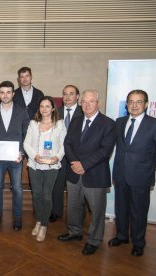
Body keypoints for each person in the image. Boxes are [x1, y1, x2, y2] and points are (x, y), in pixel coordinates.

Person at [109, 89, 156, 257]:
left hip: (141, 176)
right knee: (121, 208)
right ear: (126, 104)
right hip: (120, 174)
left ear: (146, 104)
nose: (134, 105)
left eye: (138, 102)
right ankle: (121, 236)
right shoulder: (119, 122)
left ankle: (138, 242)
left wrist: (148, 166)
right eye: (131, 102)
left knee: (138, 211)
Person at [58, 89, 116, 256]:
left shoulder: (108, 124)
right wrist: (74, 163)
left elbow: (105, 151)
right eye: (84, 102)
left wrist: (84, 165)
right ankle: (74, 232)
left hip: (95, 174)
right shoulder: (75, 121)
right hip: (74, 172)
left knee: (97, 210)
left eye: (91, 101)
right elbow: (67, 143)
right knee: (74, 206)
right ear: (80, 103)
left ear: (98, 104)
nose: (87, 105)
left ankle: (94, 240)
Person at [0, 81, 30, 230]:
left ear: (13, 94)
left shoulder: (22, 111)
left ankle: (17, 218)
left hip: (15, 157)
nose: (5, 95)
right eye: (3, 92)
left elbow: (27, 134)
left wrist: (22, 152)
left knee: (17, 188)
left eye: (8, 92)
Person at [24, 96, 66, 241]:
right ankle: (38, 221)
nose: (44, 109)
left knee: (47, 196)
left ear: (53, 108)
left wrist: (56, 158)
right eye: (42, 106)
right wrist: (34, 156)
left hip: (51, 165)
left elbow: (63, 146)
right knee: (36, 195)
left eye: (48, 106)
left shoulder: (60, 124)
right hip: (34, 165)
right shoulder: (33, 124)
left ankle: (44, 226)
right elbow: (26, 144)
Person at [50, 85, 83, 222]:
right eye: (65, 94)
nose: (67, 97)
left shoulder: (84, 112)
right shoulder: (56, 112)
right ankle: (56, 212)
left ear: (77, 96)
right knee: (57, 186)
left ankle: (77, 217)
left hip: (77, 158)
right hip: (59, 156)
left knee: (77, 190)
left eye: (71, 94)